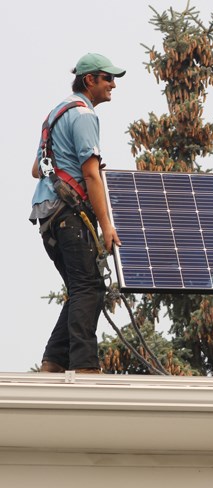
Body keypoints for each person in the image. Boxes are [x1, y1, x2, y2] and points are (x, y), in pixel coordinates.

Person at [30, 53, 124, 373]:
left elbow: (36, 170)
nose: (113, 84)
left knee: (79, 289)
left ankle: (53, 362)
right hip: (70, 216)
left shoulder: (54, 115)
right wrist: (107, 225)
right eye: (107, 78)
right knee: (89, 288)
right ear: (90, 80)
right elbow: (91, 174)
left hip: (47, 219)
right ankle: (85, 367)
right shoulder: (84, 115)